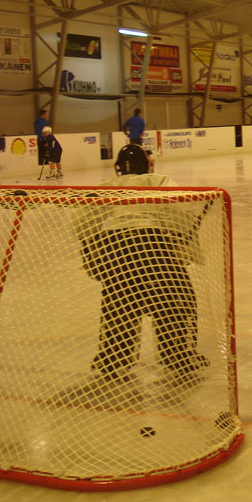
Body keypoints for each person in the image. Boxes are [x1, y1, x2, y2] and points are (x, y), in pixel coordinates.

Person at [72, 144, 209, 381]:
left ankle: (113, 358)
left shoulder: (110, 185)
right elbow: (179, 210)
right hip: (155, 245)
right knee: (176, 299)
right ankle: (178, 355)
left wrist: (90, 250)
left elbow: (82, 219)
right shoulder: (158, 180)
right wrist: (180, 242)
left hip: (117, 247)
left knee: (118, 303)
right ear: (147, 164)